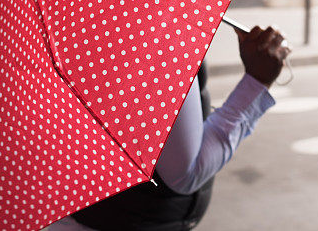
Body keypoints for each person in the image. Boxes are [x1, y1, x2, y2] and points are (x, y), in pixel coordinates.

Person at [47, 25, 291, 231]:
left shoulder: (72, 19)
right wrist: (256, 82)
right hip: (130, 220)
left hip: (79, 213)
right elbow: (184, 173)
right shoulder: (156, 33)